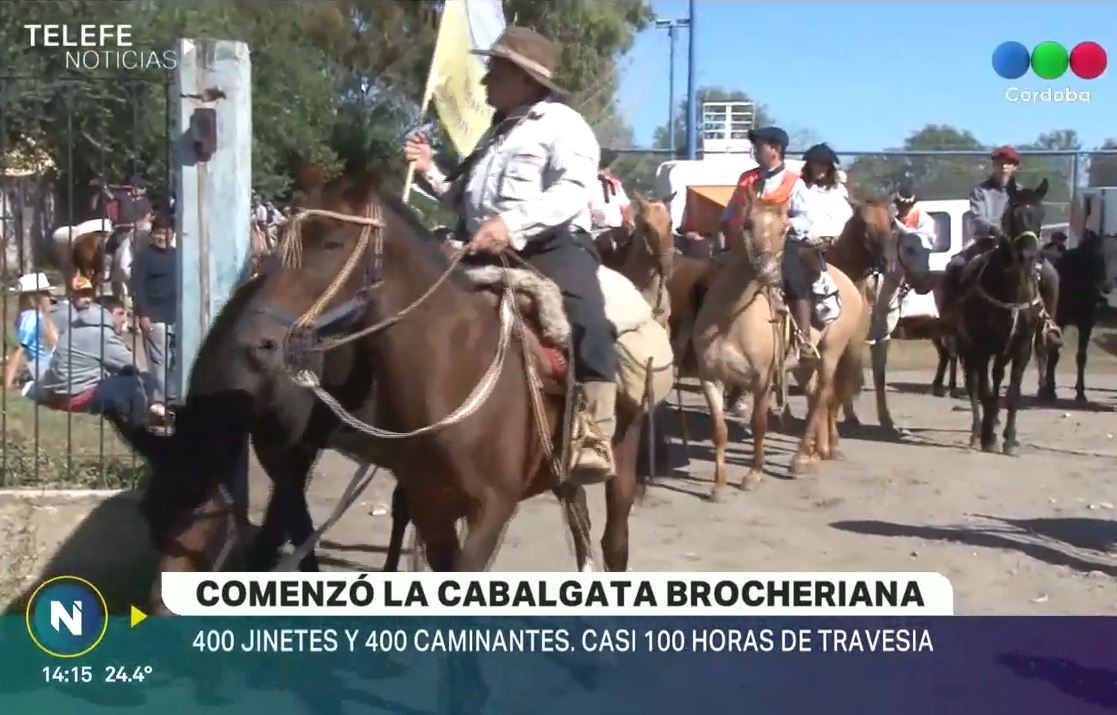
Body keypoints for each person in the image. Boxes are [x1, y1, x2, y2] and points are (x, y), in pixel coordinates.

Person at [403, 26, 617, 486]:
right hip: (480, 247)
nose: (484, 83)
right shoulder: (493, 135)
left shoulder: (564, 125)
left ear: (524, 79)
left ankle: (593, 434)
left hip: (550, 246)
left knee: (590, 323)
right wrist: (428, 172)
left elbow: (571, 191)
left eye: (494, 73)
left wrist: (511, 226)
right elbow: (462, 198)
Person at [942, 145, 1061, 345]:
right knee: (955, 265)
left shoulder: (1024, 194)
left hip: (1019, 247)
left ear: (1016, 167)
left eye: (1009, 163)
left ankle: (1048, 324)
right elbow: (977, 218)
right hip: (986, 243)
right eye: (1000, 162)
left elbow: (1031, 220)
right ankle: (950, 320)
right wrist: (994, 231)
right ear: (994, 165)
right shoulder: (981, 191)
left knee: (1051, 275)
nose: (1004, 166)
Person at [720, 126, 815, 366]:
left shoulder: (794, 183)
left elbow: (806, 219)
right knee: (713, 277)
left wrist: (781, 224)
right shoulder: (746, 179)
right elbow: (730, 211)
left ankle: (803, 338)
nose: (755, 151)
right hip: (746, 246)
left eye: (759, 146)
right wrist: (734, 224)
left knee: (794, 277)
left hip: (780, 246)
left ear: (775, 150)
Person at [35, 286, 160, 424]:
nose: (124, 319)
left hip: (57, 393)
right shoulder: (102, 334)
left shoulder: (77, 326)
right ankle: (141, 426)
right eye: (120, 314)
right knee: (141, 381)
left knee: (121, 379)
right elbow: (135, 365)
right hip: (75, 397)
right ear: (106, 313)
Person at [131, 211, 178, 416]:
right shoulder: (144, 256)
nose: (163, 237)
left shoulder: (178, 255)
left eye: (167, 233)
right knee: (159, 361)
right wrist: (143, 314)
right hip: (154, 316)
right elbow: (137, 287)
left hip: (177, 316)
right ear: (153, 234)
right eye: (159, 233)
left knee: (176, 359)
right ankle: (158, 401)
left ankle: (174, 397)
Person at [3, 273, 60, 390]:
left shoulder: (33, 316)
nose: (51, 297)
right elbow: (17, 351)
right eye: (46, 293)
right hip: (46, 369)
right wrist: (7, 385)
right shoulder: (31, 318)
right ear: (35, 297)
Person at [589, 148, 634, 245]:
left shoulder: (615, 184)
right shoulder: (589, 184)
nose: (609, 169)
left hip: (617, 232)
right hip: (595, 233)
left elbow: (625, 207)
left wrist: (627, 223)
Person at [891, 182, 938, 249]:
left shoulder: (925, 220)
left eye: (906, 205)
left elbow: (920, 241)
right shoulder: (893, 219)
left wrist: (899, 226)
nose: (901, 208)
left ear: (912, 205)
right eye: (899, 204)